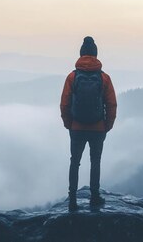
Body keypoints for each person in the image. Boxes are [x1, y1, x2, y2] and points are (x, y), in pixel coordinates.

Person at [60, 36, 117, 211]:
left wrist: (69, 123)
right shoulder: (104, 78)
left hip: (76, 127)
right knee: (95, 161)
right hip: (97, 127)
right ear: (96, 55)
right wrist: (107, 125)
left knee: (74, 161)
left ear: (81, 54)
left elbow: (65, 103)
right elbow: (112, 104)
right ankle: (94, 197)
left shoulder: (72, 76)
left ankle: (72, 199)